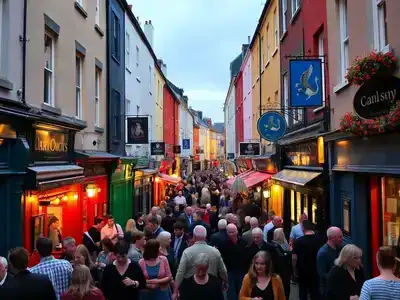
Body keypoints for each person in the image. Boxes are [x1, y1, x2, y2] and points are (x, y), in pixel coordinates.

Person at [292, 220, 322, 300]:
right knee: (315, 291)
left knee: (303, 290)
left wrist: (294, 269)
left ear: (303, 228)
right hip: (316, 268)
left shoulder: (299, 241)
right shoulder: (319, 239)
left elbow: (294, 257)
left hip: (303, 269)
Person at [220, 223, 247, 300]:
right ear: (227, 233)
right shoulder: (223, 245)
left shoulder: (243, 243)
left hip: (241, 271)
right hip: (229, 272)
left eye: (233, 232)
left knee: (242, 292)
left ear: (237, 231)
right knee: (231, 294)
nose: (232, 234)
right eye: (229, 232)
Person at [317, 226, 343, 295]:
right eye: (339, 237)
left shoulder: (339, 248)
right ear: (332, 238)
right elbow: (322, 273)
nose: (342, 239)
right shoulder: (323, 253)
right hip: (329, 290)